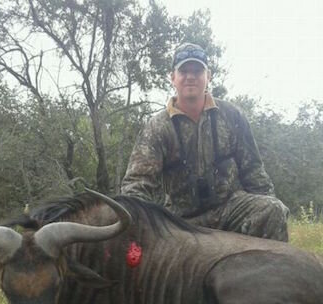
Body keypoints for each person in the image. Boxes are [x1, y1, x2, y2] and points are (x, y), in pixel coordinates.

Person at [121, 42, 289, 242]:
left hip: (231, 209)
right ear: (172, 77)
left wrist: (269, 202)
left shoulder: (232, 116)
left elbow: (253, 171)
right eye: (183, 70)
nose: (190, 76)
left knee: (273, 209)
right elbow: (136, 185)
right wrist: (139, 223)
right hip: (181, 221)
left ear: (208, 76)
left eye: (197, 70)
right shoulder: (157, 127)